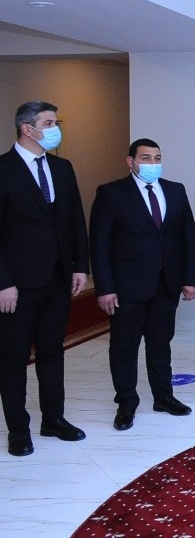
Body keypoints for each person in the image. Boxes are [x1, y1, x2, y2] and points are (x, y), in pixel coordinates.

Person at [90, 138, 195, 431]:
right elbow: (99, 245)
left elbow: (188, 237)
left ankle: (164, 397)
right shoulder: (111, 193)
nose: (153, 163)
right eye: (146, 158)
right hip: (127, 286)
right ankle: (126, 403)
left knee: (160, 344)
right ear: (131, 162)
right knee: (124, 346)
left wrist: (190, 279)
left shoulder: (175, 190)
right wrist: (105, 287)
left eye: (157, 158)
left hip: (166, 283)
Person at [0, 102, 89, 456]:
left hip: (57, 278)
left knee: (53, 352)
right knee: (13, 358)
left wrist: (81, 265)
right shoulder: (3, 169)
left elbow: (75, 219)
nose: (55, 128)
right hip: (17, 284)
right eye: (49, 123)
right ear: (27, 129)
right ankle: (18, 430)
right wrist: (3, 282)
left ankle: (53, 419)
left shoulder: (62, 168)